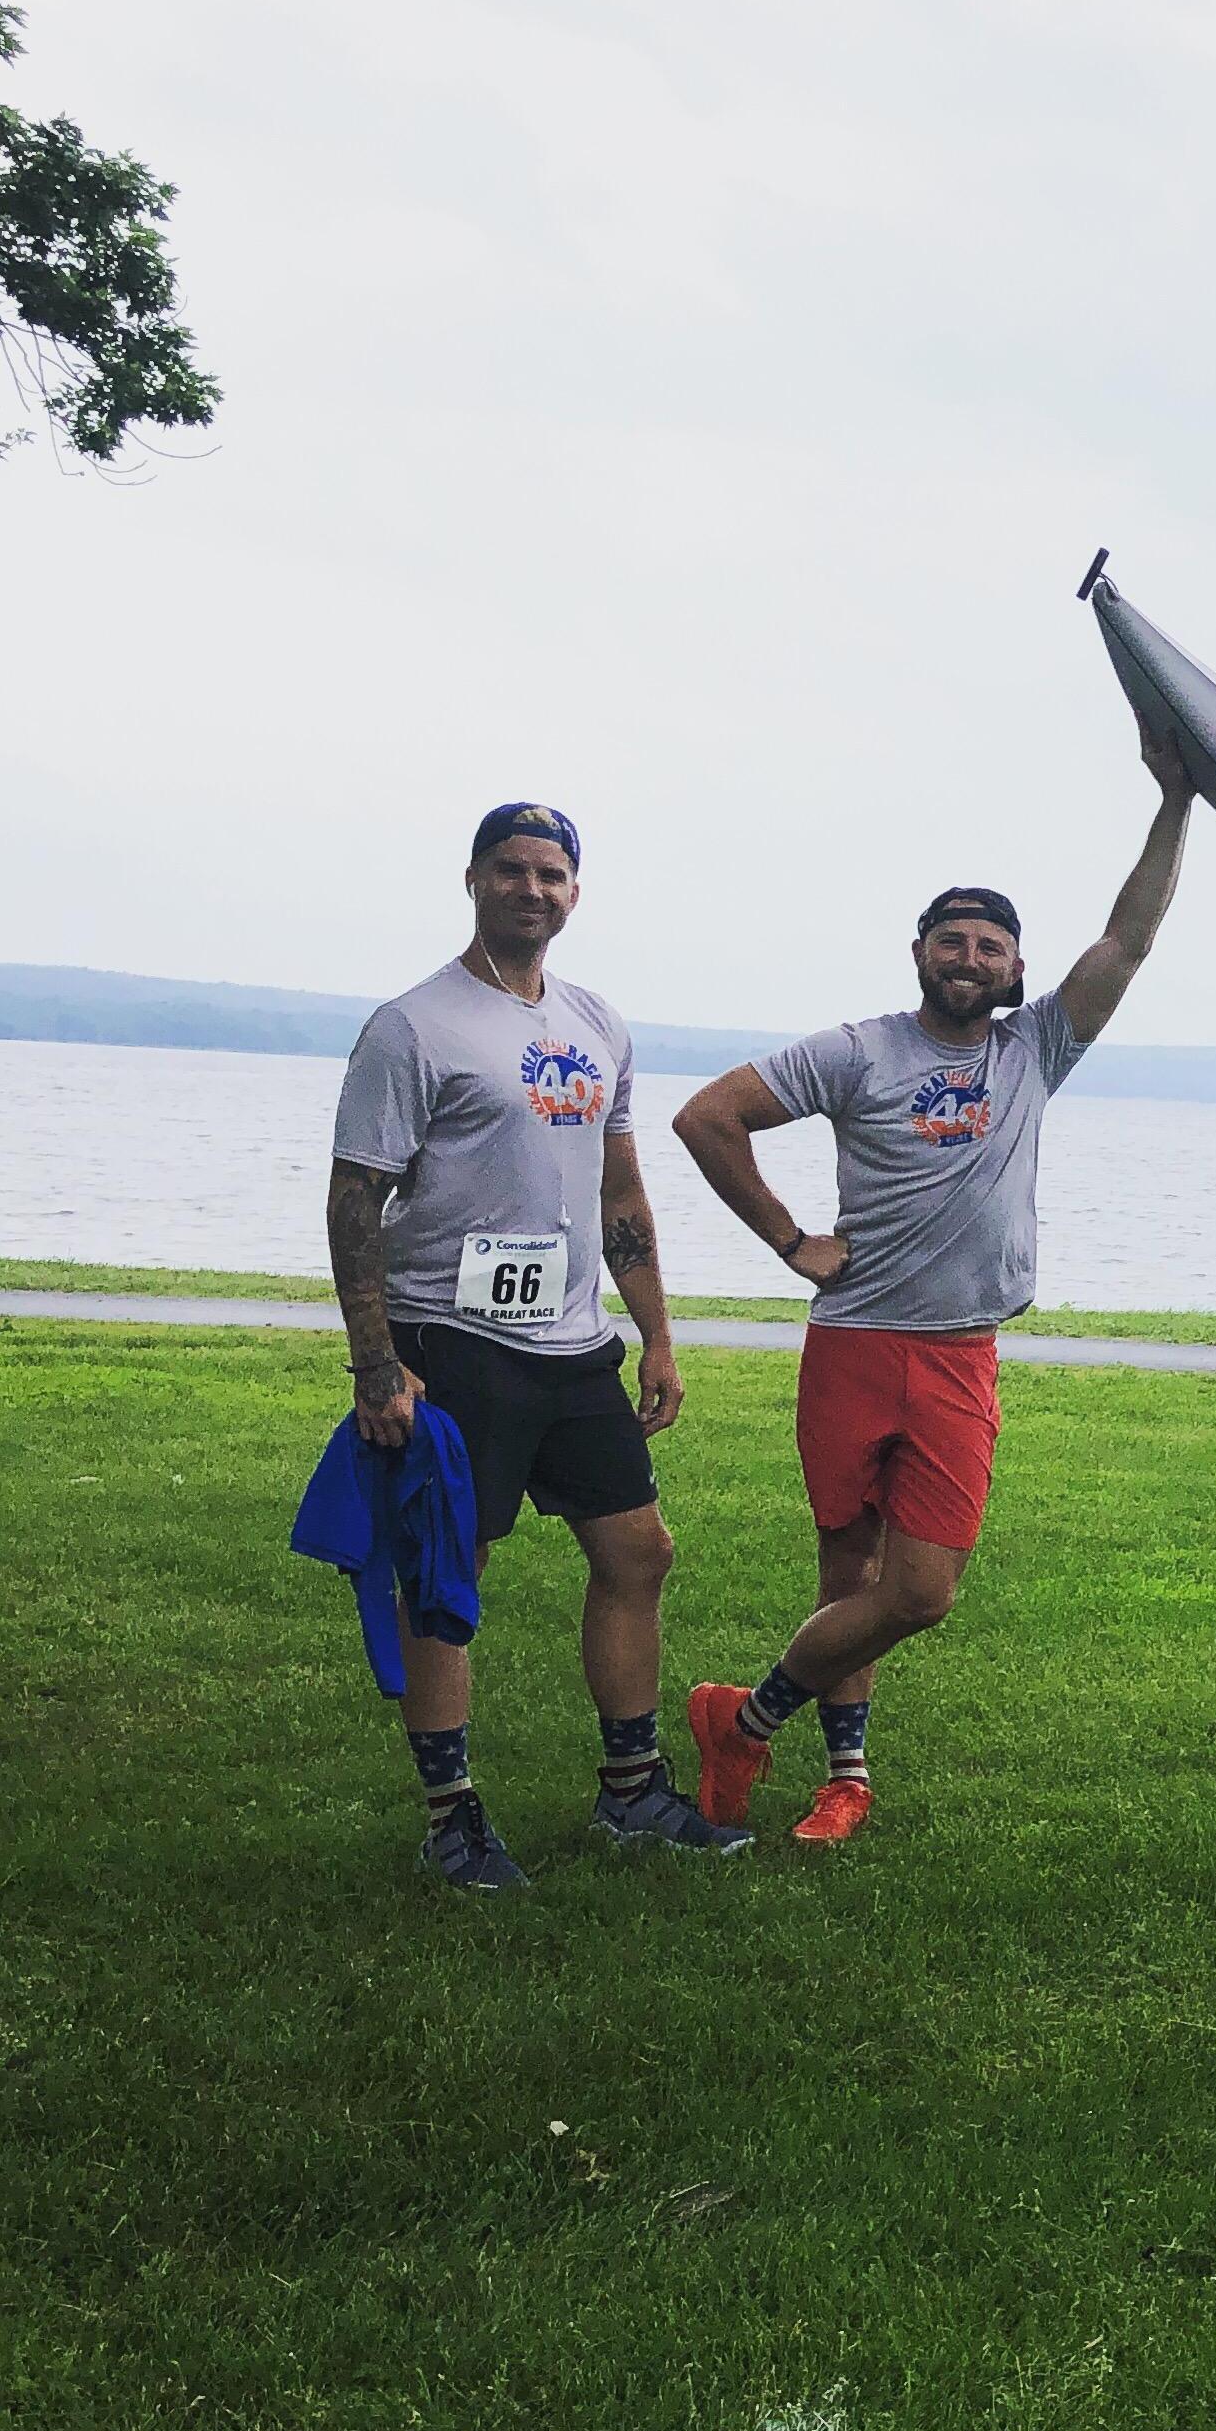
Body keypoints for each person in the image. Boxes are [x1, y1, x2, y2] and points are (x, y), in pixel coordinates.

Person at [672, 713, 1198, 1840]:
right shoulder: (856, 1052)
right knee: (846, 1569)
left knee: (919, 1594)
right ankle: (844, 1780)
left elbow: (1130, 939)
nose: (970, 959)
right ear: (919, 954)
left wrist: (1176, 801)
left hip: (960, 1352)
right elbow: (709, 1116)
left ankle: (743, 1721)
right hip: (854, 1343)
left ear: (1015, 970)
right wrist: (787, 1240)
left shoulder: (1034, 1052)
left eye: (991, 948)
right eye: (950, 941)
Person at [326, 802, 746, 1890]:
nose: (531, 888)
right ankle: (451, 1816)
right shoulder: (414, 1026)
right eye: (511, 869)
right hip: (451, 1339)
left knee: (638, 1551)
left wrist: (656, 1333)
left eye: (551, 873)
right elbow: (356, 1198)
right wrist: (377, 1361)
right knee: (448, 1572)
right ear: (472, 880)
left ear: (574, 892)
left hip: (573, 1348)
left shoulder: (597, 1024)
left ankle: (632, 1792)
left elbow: (619, 1188)